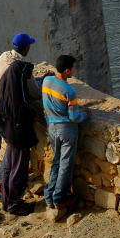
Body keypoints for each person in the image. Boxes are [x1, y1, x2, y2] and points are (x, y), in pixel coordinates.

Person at [0, 33, 42, 197]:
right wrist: (44, 81)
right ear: (26, 48)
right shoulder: (21, 68)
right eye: (29, 46)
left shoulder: (4, 55)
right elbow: (34, 93)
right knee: (12, 143)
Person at [42, 55, 87, 213]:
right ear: (67, 70)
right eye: (74, 68)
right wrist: (85, 115)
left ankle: (49, 196)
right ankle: (59, 198)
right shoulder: (69, 91)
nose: (75, 70)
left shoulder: (46, 81)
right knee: (65, 164)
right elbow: (74, 117)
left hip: (51, 128)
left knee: (56, 162)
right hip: (66, 130)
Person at [0, 58, 38, 215]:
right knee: (18, 170)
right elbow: (25, 110)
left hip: (10, 132)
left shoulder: (7, 88)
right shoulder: (18, 95)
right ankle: (14, 205)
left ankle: (7, 201)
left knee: (8, 168)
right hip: (19, 135)